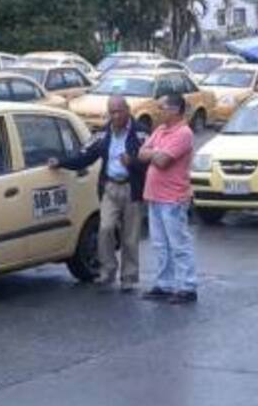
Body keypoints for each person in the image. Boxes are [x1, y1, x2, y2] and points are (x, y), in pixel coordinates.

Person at [48, 96, 148, 291]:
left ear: (128, 110)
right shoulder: (103, 134)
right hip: (110, 187)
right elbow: (84, 156)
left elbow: (150, 162)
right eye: (112, 112)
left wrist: (133, 162)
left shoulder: (141, 133)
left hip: (132, 188)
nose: (116, 115)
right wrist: (60, 162)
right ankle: (107, 270)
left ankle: (128, 278)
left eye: (119, 111)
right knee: (106, 229)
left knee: (130, 236)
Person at [138, 93, 198, 304]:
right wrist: (154, 152)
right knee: (160, 244)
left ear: (174, 110)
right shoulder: (161, 130)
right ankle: (165, 284)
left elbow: (162, 160)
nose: (158, 111)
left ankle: (187, 286)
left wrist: (153, 152)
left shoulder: (183, 133)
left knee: (178, 243)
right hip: (155, 196)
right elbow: (141, 153)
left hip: (173, 198)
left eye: (161, 107)